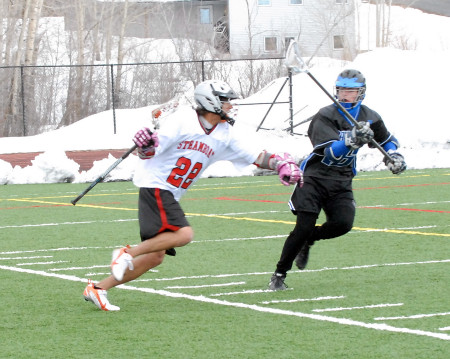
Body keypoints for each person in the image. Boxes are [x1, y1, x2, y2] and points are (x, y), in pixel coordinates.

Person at [83, 79, 303, 310]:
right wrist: (145, 145)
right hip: (156, 185)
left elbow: (256, 156)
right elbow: (151, 150)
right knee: (184, 234)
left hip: (170, 192)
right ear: (211, 102)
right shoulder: (182, 120)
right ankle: (125, 253)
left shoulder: (224, 133)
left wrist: (280, 164)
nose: (231, 106)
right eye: (225, 101)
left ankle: (98, 289)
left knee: (155, 256)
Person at [268, 69, 407, 290]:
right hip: (314, 177)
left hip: (341, 180)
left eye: (350, 90)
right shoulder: (325, 115)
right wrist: (352, 139)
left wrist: (393, 156)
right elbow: (330, 153)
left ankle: (310, 239)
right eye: (342, 89)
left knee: (343, 224)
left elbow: (388, 140)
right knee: (303, 226)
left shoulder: (369, 116)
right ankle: (279, 274)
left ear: (361, 93)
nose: (344, 94)